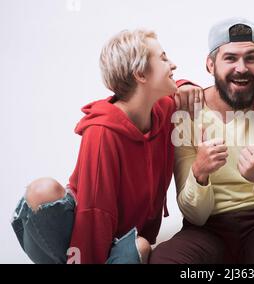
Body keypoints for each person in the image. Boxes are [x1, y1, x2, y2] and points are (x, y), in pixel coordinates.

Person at [149, 17, 254, 264]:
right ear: (210, 65)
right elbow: (194, 215)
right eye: (230, 58)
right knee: (164, 261)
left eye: (251, 58)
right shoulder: (187, 114)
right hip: (205, 229)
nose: (242, 67)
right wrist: (200, 172)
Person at [11, 29, 178, 264]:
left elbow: (192, 92)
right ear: (140, 73)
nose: (173, 64)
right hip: (86, 225)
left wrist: (187, 85)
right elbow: (94, 212)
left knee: (140, 246)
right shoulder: (102, 132)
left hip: (122, 234)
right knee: (42, 190)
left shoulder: (163, 109)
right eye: (163, 58)